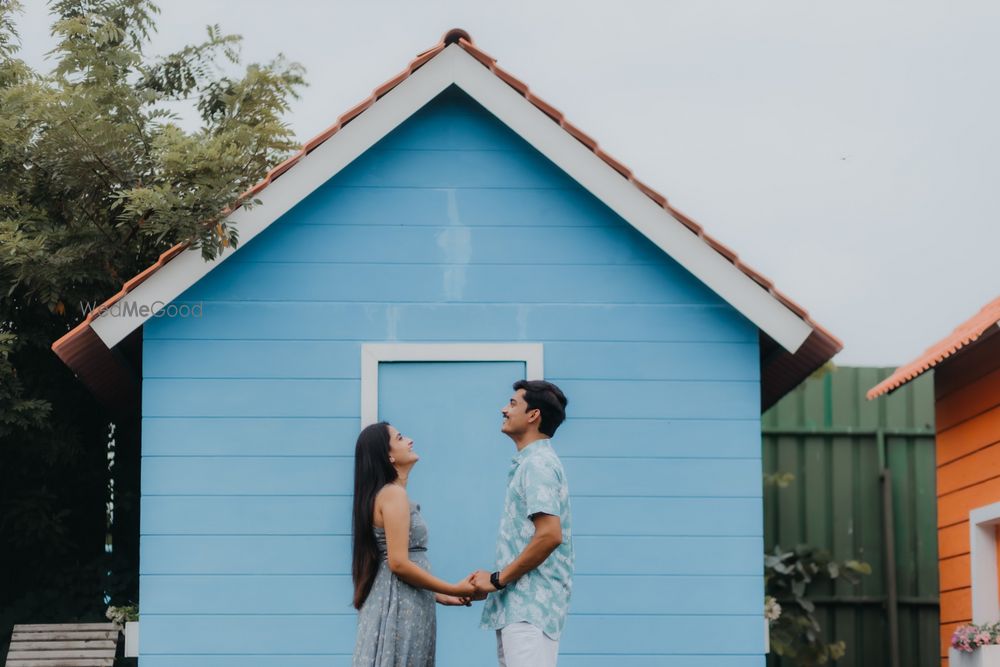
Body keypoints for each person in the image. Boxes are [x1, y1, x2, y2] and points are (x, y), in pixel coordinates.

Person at [351, 421, 477, 667]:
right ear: (388, 456)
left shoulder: (388, 494)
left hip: (404, 599)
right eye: (400, 438)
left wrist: (440, 596)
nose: (410, 440)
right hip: (400, 605)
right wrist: (454, 589)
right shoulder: (393, 494)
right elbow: (398, 563)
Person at [469, 380, 574, 667]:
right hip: (519, 608)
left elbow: (550, 535)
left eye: (513, 403)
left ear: (533, 415)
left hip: (531, 610)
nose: (504, 409)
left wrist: (497, 579)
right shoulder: (529, 463)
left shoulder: (537, 465)